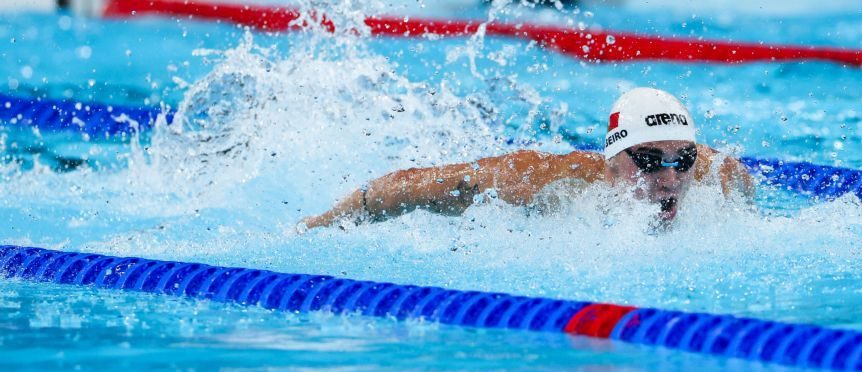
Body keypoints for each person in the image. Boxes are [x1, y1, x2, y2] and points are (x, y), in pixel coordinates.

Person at [300, 87, 753, 230]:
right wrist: (321, 224)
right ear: (615, 157)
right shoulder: (547, 180)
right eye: (650, 161)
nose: (670, 178)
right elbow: (416, 184)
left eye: (683, 158)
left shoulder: (720, 176)